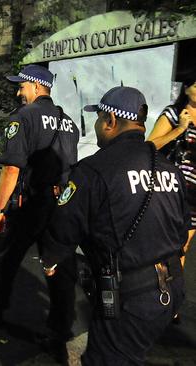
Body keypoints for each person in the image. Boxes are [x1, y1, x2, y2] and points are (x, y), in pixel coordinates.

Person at [41, 86, 187, 365]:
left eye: (98, 118)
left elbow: (62, 231)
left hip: (130, 299)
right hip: (171, 290)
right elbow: (181, 233)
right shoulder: (169, 169)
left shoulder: (93, 170)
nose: (96, 125)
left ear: (110, 121)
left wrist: (51, 260)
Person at [0, 64, 80, 360]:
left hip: (31, 203)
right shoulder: (69, 122)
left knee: (5, 255)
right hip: (61, 205)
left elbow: (11, 168)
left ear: (35, 86)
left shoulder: (24, 117)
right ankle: (59, 328)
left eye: (21, 86)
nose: (19, 92)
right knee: (59, 266)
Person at [148, 76, 196, 267]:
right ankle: (156, 291)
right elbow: (149, 145)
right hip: (172, 191)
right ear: (186, 89)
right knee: (162, 247)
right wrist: (179, 130)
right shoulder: (174, 114)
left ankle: (175, 292)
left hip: (194, 198)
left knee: (182, 248)